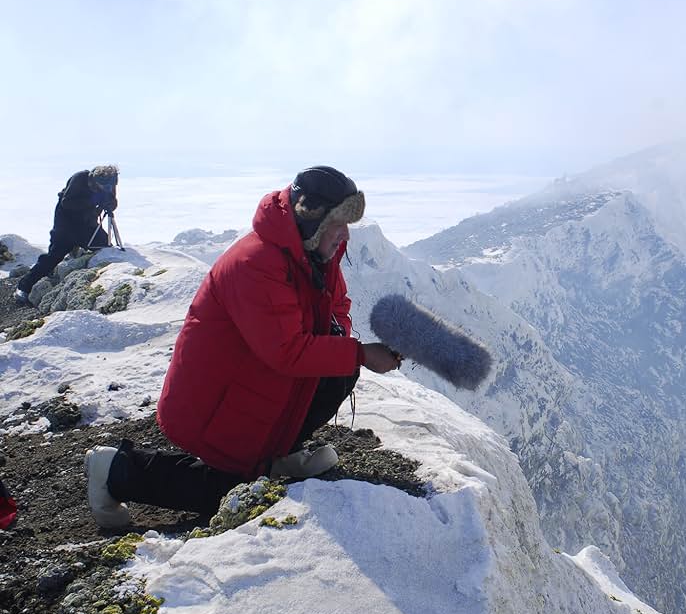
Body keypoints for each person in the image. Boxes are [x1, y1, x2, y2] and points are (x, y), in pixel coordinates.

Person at [84, 165, 403, 528]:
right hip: (214, 402)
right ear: (311, 219)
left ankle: (278, 454)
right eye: (338, 222)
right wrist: (359, 352)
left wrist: (337, 338)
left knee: (337, 368)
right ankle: (115, 470)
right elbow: (288, 351)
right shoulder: (257, 264)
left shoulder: (314, 252)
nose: (345, 233)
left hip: (255, 384)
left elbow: (337, 305)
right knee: (230, 493)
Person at [15, 165, 119, 305]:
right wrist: (94, 201)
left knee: (104, 247)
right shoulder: (80, 178)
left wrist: (109, 204)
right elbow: (67, 203)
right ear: (95, 180)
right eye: (103, 185)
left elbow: (112, 200)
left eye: (110, 186)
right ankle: (24, 287)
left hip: (87, 221)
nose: (106, 189)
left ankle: (76, 256)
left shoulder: (110, 182)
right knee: (55, 255)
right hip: (66, 221)